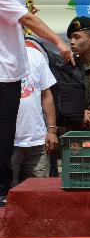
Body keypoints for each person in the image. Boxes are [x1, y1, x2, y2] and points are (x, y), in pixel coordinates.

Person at [0, 0, 72, 204]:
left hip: (9, 75)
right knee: (3, 139)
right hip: (3, 77)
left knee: (5, 137)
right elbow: (27, 18)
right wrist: (58, 42)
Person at [11, 40, 59, 186]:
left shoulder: (35, 55)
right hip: (7, 143)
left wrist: (51, 131)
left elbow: (46, 95)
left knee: (37, 194)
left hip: (38, 142)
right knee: (6, 196)